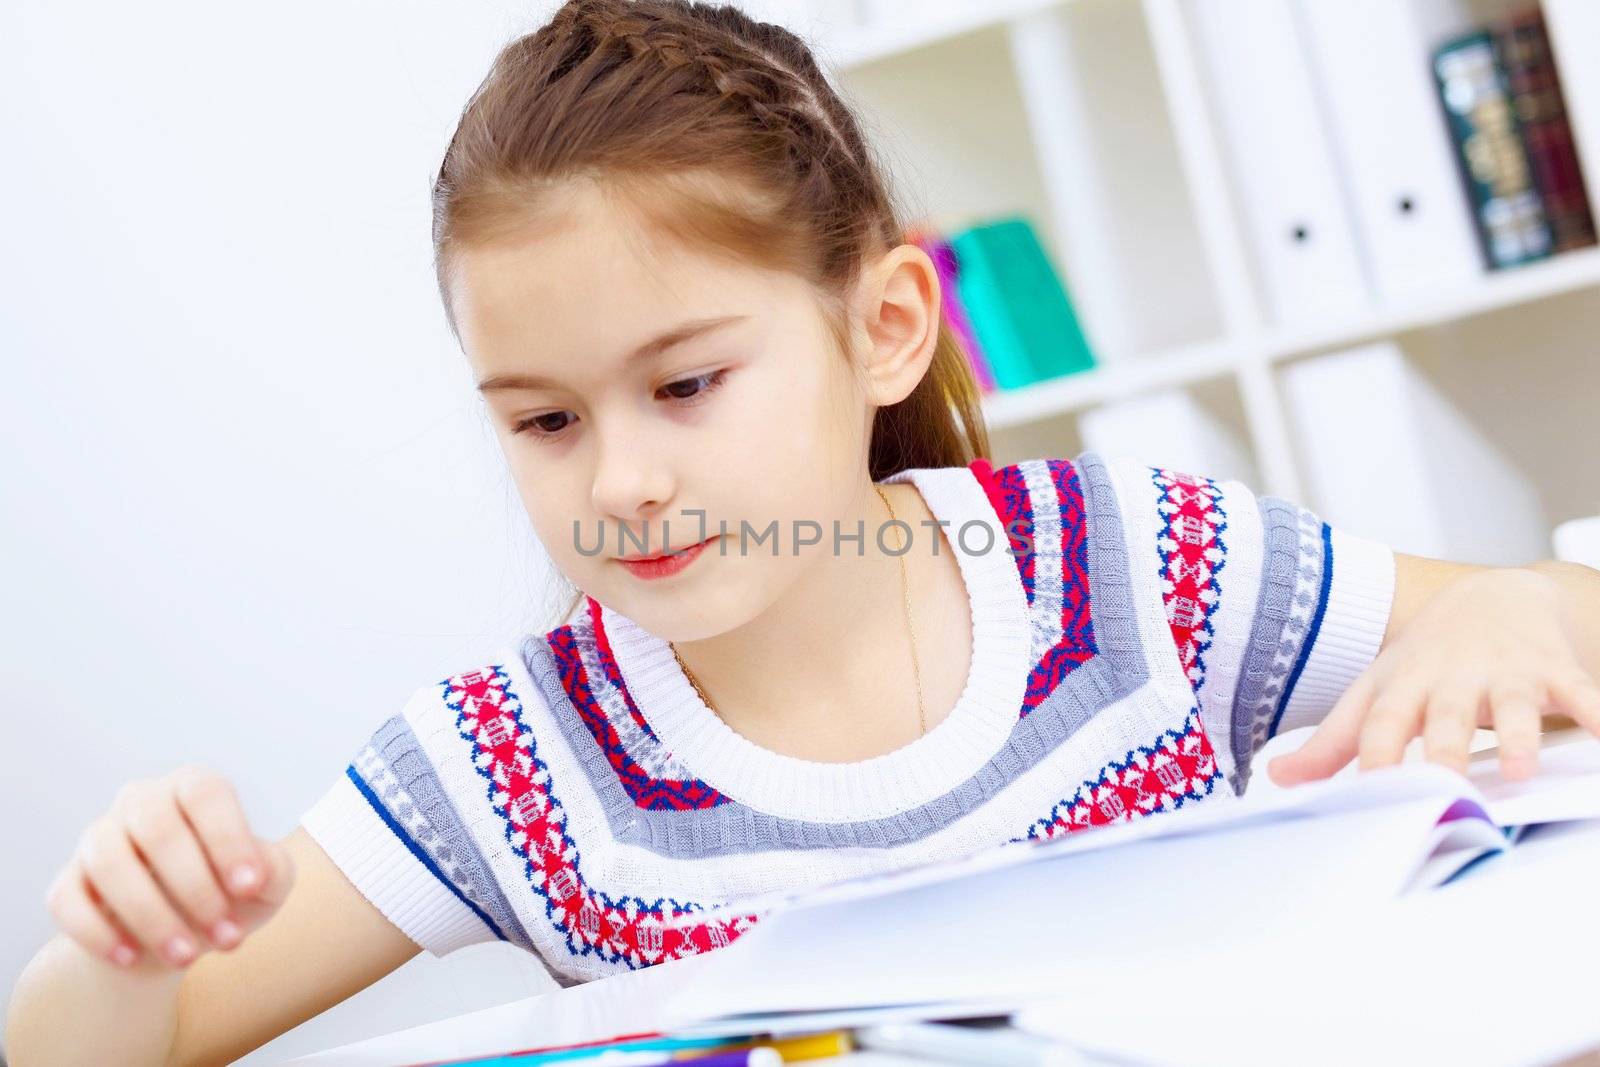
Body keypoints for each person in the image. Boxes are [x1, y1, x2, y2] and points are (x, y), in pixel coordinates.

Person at [9, 0, 1600, 1063]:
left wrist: (1527, 601)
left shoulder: (1126, 564)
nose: (618, 479)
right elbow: (108, 1048)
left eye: (687, 382)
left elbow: (1558, 628)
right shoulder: (514, 756)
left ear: (889, 325)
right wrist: (118, 944)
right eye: (545, 421)